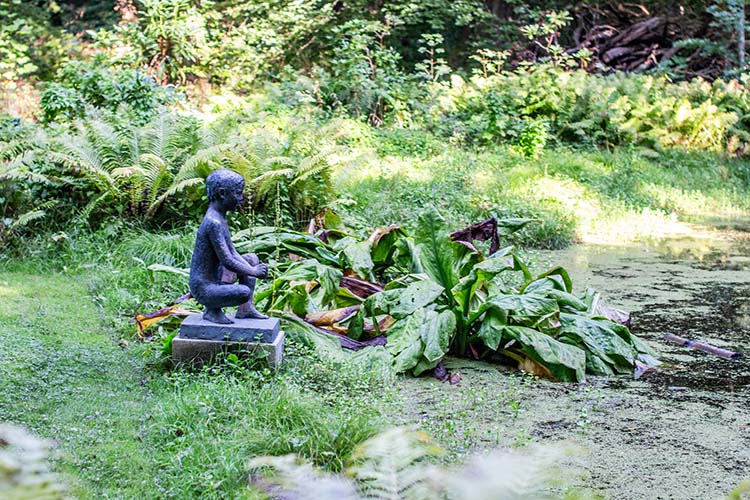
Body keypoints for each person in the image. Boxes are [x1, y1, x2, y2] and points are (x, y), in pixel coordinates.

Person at [189, 169, 269, 324]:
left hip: (216, 277)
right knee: (243, 292)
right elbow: (227, 260)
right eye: (238, 193)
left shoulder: (220, 218)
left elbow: (232, 252)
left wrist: (252, 267)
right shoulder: (213, 222)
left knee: (251, 258)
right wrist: (253, 272)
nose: (241, 198)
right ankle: (212, 312)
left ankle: (245, 309)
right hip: (204, 288)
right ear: (222, 194)